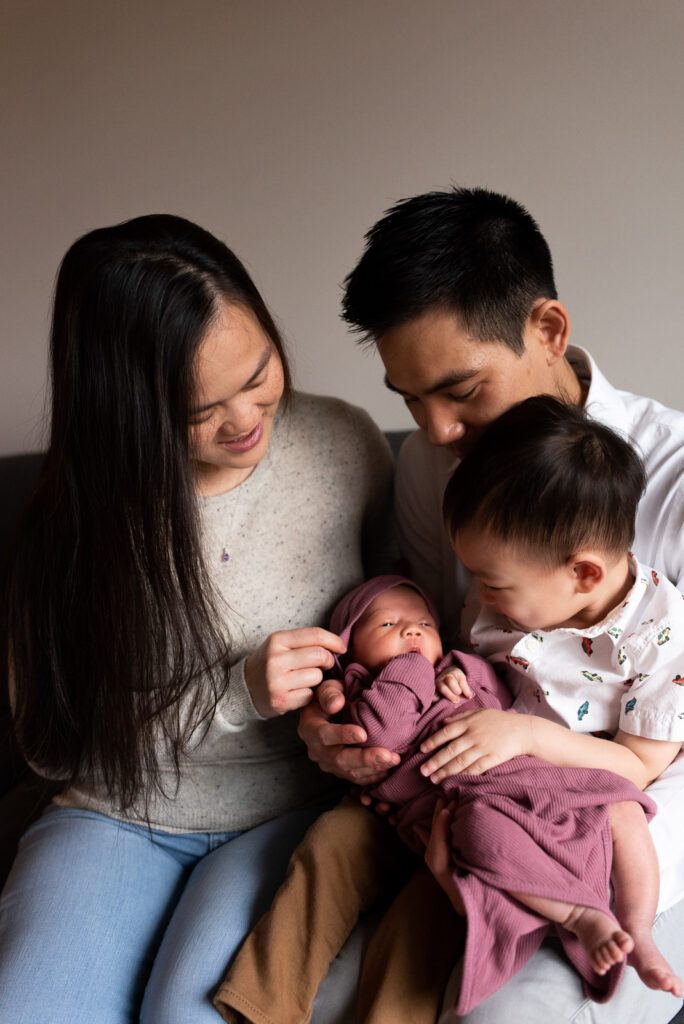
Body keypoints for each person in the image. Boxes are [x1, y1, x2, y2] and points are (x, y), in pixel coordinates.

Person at [298, 187, 684, 1023]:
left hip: (633, 838)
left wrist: (528, 861)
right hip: (462, 788)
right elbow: (443, 652)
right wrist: (353, 710)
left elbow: (661, 760)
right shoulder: (428, 472)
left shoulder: (675, 482)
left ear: (548, 330)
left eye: (460, 391)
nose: (435, 433)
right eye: (410, 401)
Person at [0, 214, 393, 1024]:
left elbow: (405, 614)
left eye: (258, 373)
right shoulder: (78, 522)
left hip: (290, 808)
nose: (247, 418)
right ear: (129, 410)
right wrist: (235, 692)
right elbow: (54, 739)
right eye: (200, 410)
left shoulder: (344, 447)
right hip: (118, 813)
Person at [214, 572, 675, 1024]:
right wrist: (407, 669)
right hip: (437, 809)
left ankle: (636, 925)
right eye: (388, 625)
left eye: (424, 625)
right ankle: (266, 1007)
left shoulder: (456, 666)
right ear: (350, 648)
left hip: (502, 786)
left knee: (621, 804)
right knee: (340, 847)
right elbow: (384, 729)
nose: (412, 631)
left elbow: (494, 696)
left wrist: (460, 673)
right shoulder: (360, 688)